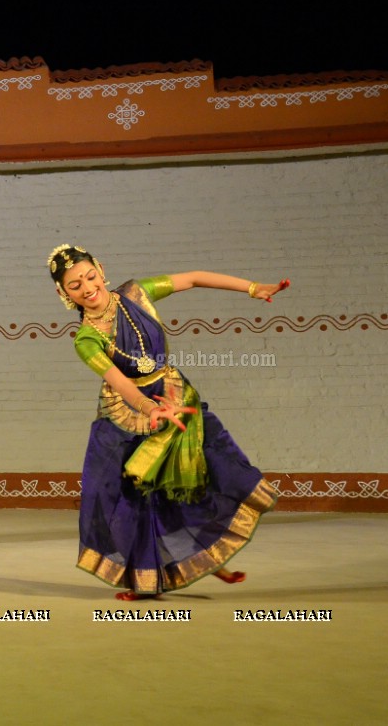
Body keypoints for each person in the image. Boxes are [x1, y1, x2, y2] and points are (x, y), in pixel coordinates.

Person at [48, 244, 289, 600]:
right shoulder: (85, 339)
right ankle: (144, 580)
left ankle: (206, 560)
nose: (87, 287)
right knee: (133, 498)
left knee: (198, 476)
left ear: (100, 270)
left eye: (90, 276)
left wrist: (253, 288)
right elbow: (121, 383)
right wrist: (150, 409)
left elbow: (193, 278)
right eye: (74, 285)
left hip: (174, 396)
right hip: (127, 415)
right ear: (63, 293)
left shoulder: (136, 295)